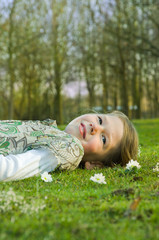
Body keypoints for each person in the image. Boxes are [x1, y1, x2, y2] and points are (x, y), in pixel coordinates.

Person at [0, 111, 138, 181]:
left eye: (103, 139)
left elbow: (8, 169)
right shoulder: (51, 132)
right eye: (100, 120)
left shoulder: (68, 149)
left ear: (95, 164)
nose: (95, 127)